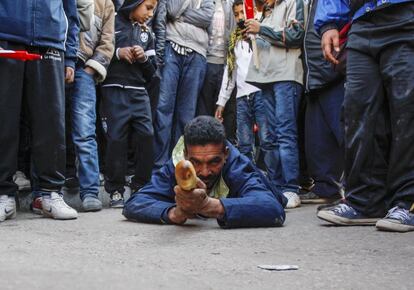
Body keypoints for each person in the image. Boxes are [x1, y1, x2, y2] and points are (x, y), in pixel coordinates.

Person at [315, 0, 414, 232]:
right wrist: (329, 22)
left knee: (406, 113)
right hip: (362, 19)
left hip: (407, 15)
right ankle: (365, 201)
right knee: (357, 113)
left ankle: (406, 201)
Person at [123, 116, 286, 228]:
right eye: (196, 163)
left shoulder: (237, 165)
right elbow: (134, 203)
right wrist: (175, 213)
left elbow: (271, 207)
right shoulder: (176, 166)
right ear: (185, 155)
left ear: (226, 155)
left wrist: (209, 206)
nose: (205, 172)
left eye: (214, 162)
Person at [0, 0, 80, 222]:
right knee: (4, 119)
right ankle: (3, 193)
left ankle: (50, 193)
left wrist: (71, 55)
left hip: (51, 40)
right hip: (6, 36)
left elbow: (70, 10)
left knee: (51, 122)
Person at [244, 0, 305, 208]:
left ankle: (291, 187)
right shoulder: (267, 11)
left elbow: (296, 37)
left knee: (285, 132)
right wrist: (255, 35)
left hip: (286, 75)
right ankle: (276, 186)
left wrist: (261, 29)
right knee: (269, 136)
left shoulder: (294, 3)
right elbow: (269, 41)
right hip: (266, 77)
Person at [100, 0, 158, 207]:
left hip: (139, 93)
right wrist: (118, 53)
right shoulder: (112, 22)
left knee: (146, 135)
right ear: (134, 3)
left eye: (153, 9)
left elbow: (153, 73)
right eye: (148, 7)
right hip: (114, 90)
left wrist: (143, 59)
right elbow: (100, 52)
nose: (151, 13)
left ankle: (140, 185)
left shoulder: (147, 33)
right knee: (116, 139)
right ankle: (115, 190)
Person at [63, 0, 115, 212]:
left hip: (84, 66)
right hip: (56, 59)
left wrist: (90, 69)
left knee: (85, 130)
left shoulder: (106, 5)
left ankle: (90, 190)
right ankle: (49, 189)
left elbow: (107, 42)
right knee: (50, 126)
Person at [152, 0, 215, 169]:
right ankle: (159, 167)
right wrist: (184, 14)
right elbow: (172, 10)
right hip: (171, 47)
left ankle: (178, 166)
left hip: (197, 53)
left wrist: (181, 16)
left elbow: (207, 17)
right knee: (163, 110)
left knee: (186, 115)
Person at [299, 0, 345, 204]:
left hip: (333, 71)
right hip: (314, 78)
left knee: (345, 134)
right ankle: (325, 187)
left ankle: (359, 189)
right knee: (316, 140)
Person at [214, 0, 267, 164]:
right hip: (242, 97)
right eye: (236, 14)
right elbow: (230, 73)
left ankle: (273, 182)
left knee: (267, 140)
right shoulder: (234, 40)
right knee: (244, 143)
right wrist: (221, 102)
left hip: (261, 93)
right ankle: (248, 179)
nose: (239, 17)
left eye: (242, 12)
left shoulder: (262, 30)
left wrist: (255, 35)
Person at [196, 0, 236, 142]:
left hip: (225, 64)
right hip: (206, 62)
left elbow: (233, 34)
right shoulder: (205, 3)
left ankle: (223, 152)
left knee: (225, 112)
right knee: (204, 112)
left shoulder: (230, 4)